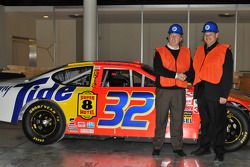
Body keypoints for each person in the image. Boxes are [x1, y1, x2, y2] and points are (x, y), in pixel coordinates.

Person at [191, 21, 233, 162]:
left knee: (218, 123)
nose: (208, 37)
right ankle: (205, 147)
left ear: (217, 35)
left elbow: (227, 74)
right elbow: (194, 70)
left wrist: (224, 94)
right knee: (206, 122)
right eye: (206, 34)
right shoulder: (199, 50)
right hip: (201, 91)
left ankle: (219, 152)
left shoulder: (224, 50)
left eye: (210, 34)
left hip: (216, 92)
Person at [152, 24, 194, 156]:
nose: (173, 38)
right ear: (168, 36)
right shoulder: (159, 51)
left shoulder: (186, 52)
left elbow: (192, 70)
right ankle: (157, 146)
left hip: (179, 92)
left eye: (176, 36)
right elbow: (158, 69)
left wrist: (187, 76)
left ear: (181, 38)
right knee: (161, 119)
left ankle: (177, 147)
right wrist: (176, 75)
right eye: (171, 35)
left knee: (177, 119)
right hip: (163, 90)